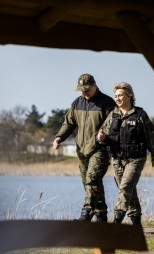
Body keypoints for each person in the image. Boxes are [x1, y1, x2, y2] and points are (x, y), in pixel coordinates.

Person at [53, 73, 115, 222]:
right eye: (81, 90)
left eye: (87, 89)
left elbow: (114, 125)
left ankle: (86, 213)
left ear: (94, 86)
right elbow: (68, 123)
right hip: (82, 150)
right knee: (89, 183)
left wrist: (104, 135)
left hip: (100, 149)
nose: (84, 92)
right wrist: (59, 137)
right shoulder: (76, 103)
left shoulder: (107, 103)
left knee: (92, 178)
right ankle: (101, 214)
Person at [96, 82, 154, 226]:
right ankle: (136, 221)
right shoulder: (113, 115)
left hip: (135, 159)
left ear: (129, 96)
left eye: (120, 95)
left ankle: (117, 220)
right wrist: (100, 138)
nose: (117, 98)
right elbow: (102, 134)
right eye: (116, 95)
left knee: (125, 188)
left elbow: (151, 135)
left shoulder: (140, 115)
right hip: (117, 159)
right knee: (127, 190)